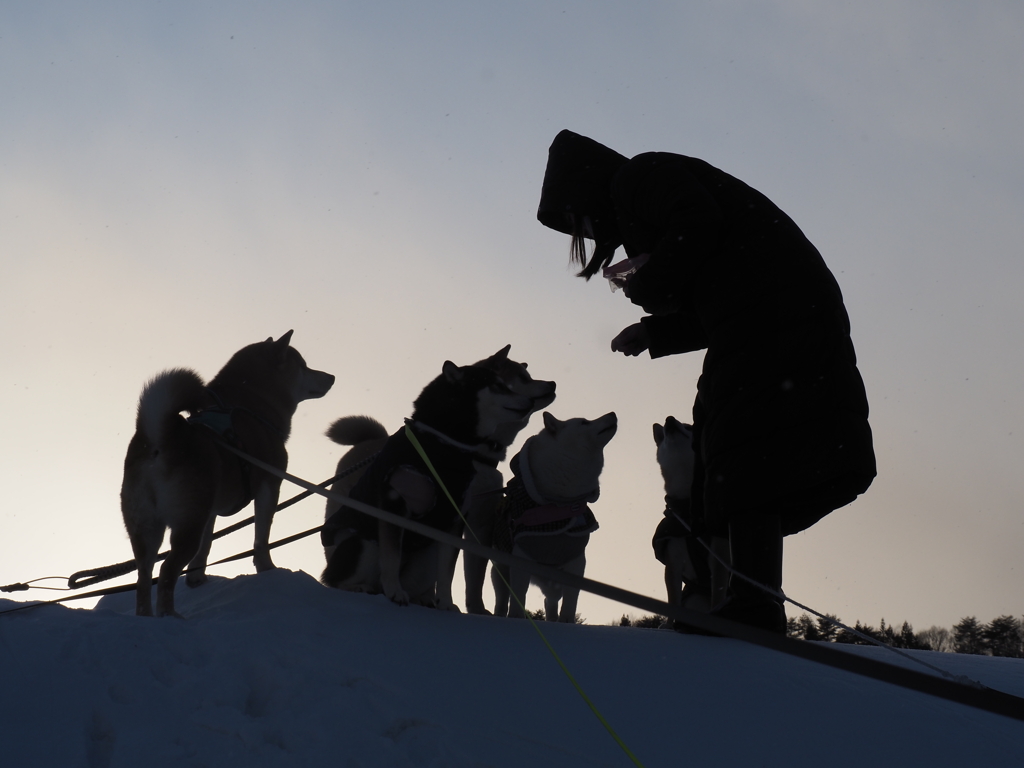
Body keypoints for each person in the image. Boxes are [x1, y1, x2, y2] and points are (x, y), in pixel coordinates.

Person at [536, 130, 876, 634]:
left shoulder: (638, 176)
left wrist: (651, 283)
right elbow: (716, 299)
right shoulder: (653, 205)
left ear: (583, 192)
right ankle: (741, 597)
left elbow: (698, 222)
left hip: (776, 317)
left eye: (577, 219)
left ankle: (754, 604)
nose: (585, 230)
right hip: (776, 314)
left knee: (743, 449)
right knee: (736, 453)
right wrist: (654, 330)